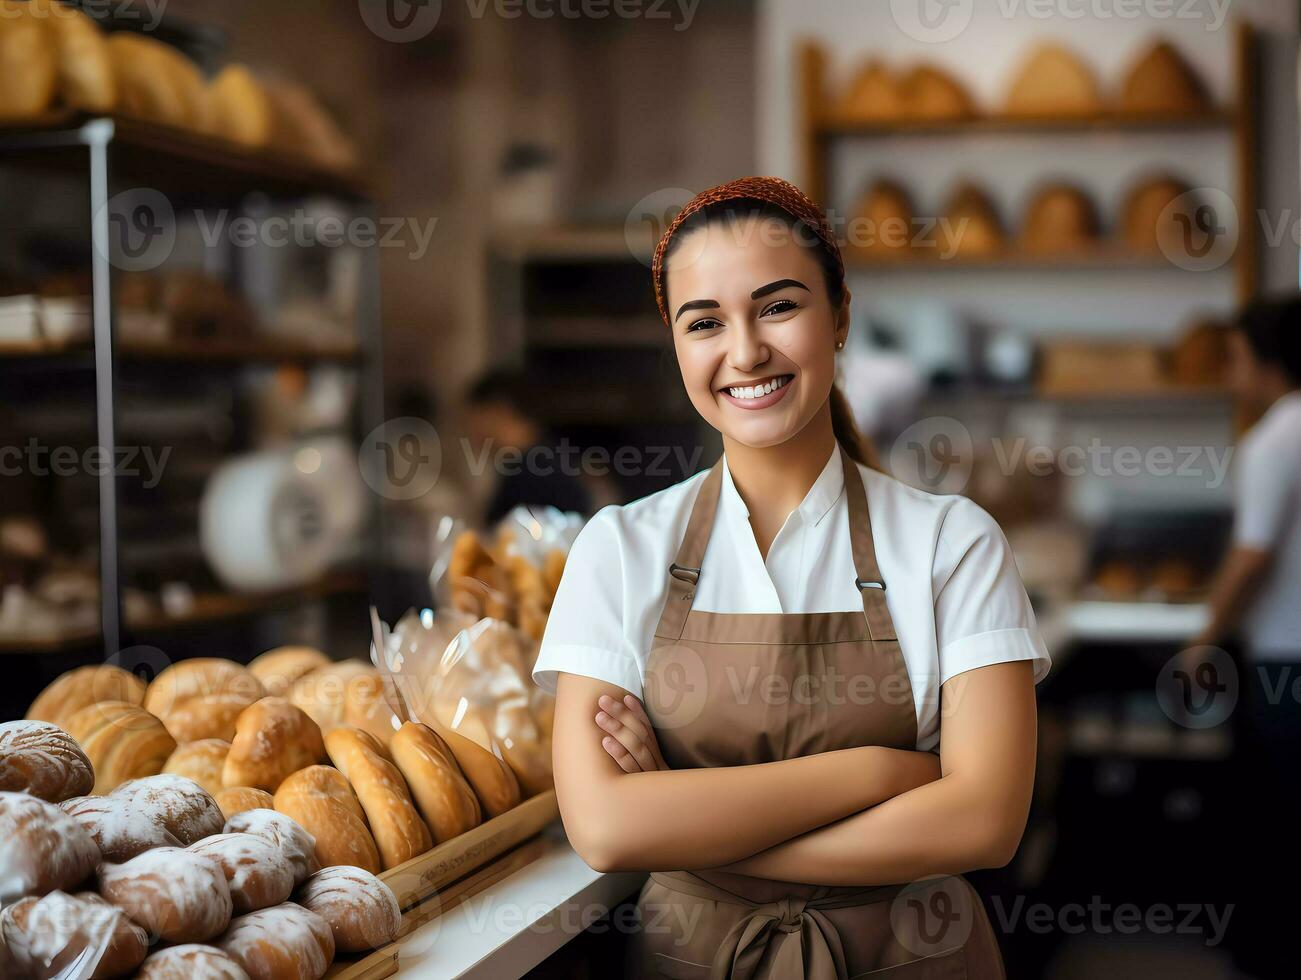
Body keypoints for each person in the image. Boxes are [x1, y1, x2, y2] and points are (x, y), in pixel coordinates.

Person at [532, 177, 1051, 979]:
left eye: (778, 307)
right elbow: (603, 828)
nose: (744, 353)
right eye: (704, 322)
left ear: (839, 316)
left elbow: (982, 823)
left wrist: (688, 816)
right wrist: (883, 773)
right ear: (674, 341)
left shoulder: (953, 542)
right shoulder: (617, 549)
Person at [1188, 294, 1301, 980]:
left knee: (1273, 830)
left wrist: (1203, 637)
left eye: (1233, 358)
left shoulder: (1272, 438)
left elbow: (1251, 553)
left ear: (1266, 361)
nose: (1230, 375)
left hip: (1282, 666)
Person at [463, 367, 593, 525]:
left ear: (499, 410)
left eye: (475, 420)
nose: (472, 431)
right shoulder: (548, 456)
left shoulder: (532, 470)